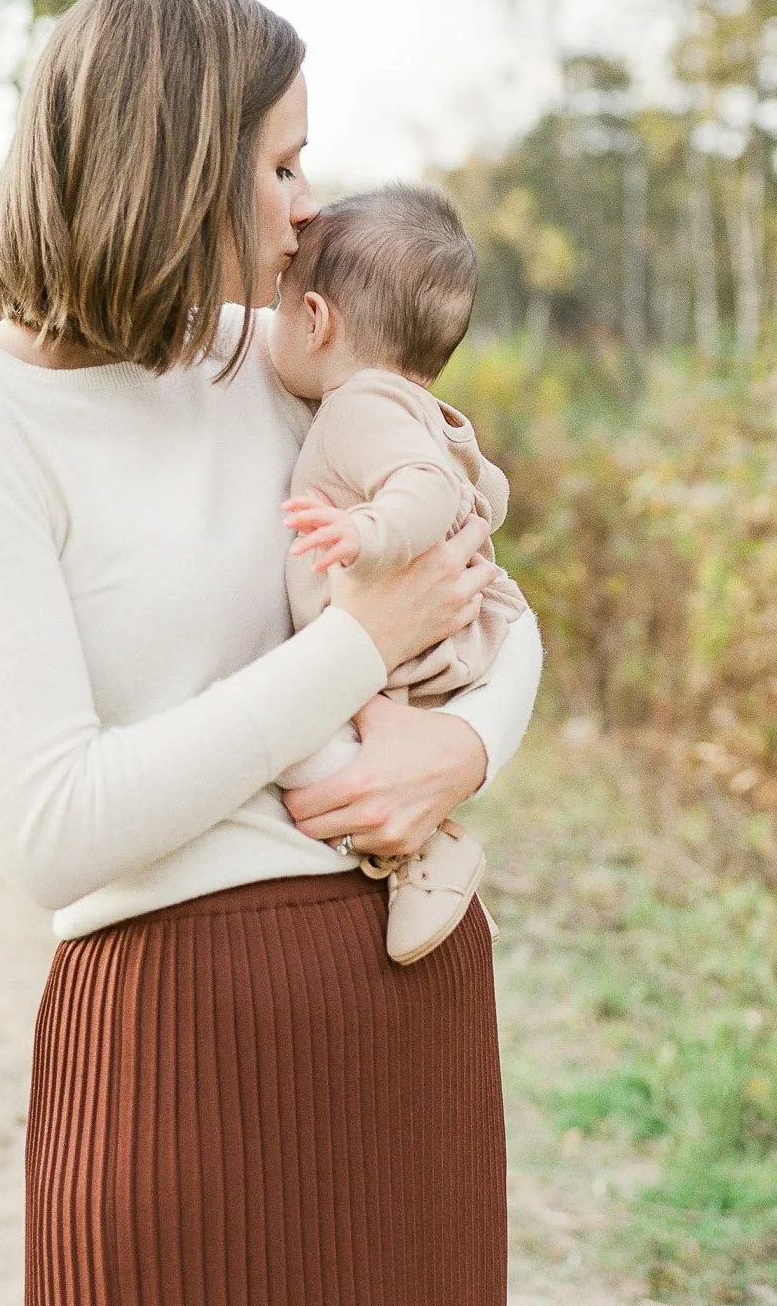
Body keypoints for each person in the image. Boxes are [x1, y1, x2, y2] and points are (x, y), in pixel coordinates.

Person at [0, 0, 543, 1306]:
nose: (312, 205)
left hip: (408, 1013)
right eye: (281, 163)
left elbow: (487, 592)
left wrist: (460, 749)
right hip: (177, 1049)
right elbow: (52, 825)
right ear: (171, 164)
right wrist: (356, 651)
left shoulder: (282, 357)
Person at [266, 183, 530, 965]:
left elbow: (428, 488)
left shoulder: (357, 407)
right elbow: (488, 491)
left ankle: (426, 857)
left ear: (315, 320)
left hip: (407, 651)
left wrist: (365, 533)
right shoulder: (416, 401)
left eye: (281, 307)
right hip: (445, 636)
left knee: (292, 747)